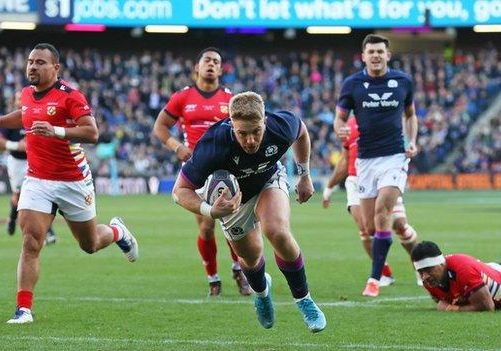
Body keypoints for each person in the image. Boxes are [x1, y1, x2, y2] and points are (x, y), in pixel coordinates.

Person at [0, 43, 139, 324]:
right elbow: (23, 115)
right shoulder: (26, 94)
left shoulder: (71, 96)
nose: (32, 66)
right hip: (37, 178)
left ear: (55, 68)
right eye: (30, 61)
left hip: (72, 180)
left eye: (40, 62)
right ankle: (23, 310)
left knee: (90, 244)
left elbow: (92, 133)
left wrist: (57, 130)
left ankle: (118, 232)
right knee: (31, 241)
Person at [172, 91, 326, 333]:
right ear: (231, 125)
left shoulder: (281, 126)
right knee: (251, 257)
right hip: (233, 200)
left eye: (256, 131)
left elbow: (302, 132)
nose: (251, 140)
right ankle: (262, 293)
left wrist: (304, 174)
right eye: (243, 133)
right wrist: (210, 210)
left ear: (265, 121)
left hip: (268, 179)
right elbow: (179, 191)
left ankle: (304, 299)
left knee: (277, 231)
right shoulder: (213, 144)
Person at [153, 47, 251, 297]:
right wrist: (177, 147)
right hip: (196, 169)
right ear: (196, 67)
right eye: (206, 60)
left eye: (216, 61)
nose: (211, 64)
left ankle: (239, 271)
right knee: (207, 228)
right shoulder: (182, 97)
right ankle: (213, 278)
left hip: (225, 169)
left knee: (233, 224)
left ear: (220, 69)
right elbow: (160, 127)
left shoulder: (231, 99)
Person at [334, 34, 418, 297]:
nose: (376, 56)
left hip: (394, 157)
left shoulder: (403, 81)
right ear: (364, 56)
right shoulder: (353, 84)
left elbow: (411, 115)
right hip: (365, 161)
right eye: (371, 52)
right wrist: (340, 131)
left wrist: (412, 140)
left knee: (383, 212)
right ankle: (390, 265)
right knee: (371, 228)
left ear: (388, 55)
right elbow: (339, 119)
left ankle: (374, 279)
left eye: (380, 51)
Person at [323, 117, 420, 287]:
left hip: (382, 176)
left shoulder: (385, 116)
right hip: (356, 179)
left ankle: (421, 267)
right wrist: (329, 187)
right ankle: (384, 274)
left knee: (399, 224)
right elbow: (345, 159)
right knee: (366, 228)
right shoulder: (350, 125)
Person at [0, 91, 57, 245]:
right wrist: (16, 145)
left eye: (24, 98)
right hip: (17, 163)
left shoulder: (37, 117)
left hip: (35, 161)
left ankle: (48, 230)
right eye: (18, 98)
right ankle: (12, 217)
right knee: (19, 197)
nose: (21, 101)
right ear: (14, 102)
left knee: (42, 193)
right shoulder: (10, 119)